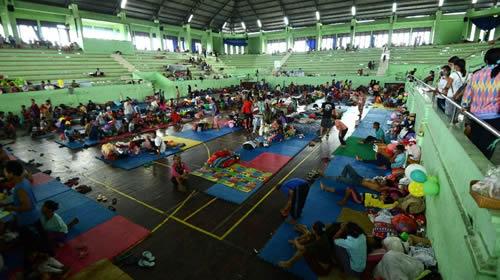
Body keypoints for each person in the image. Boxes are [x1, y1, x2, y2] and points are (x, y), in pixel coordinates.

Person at [462, 48, 500, 159]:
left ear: (486, 61)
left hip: (476, 118)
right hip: (494, 119)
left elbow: (466, 98)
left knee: (474, 146)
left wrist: (464, 108)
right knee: (486, 149)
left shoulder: (476, 75)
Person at [1, 161, 40, 228]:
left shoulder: (19, 188)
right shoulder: (24, 180)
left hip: (27, 218)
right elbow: (24, 200)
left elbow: (27, 207)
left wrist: (11, 208)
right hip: (35, 214)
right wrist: (5, 204)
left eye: (6, 172)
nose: (5, 174)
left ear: (11, 174)